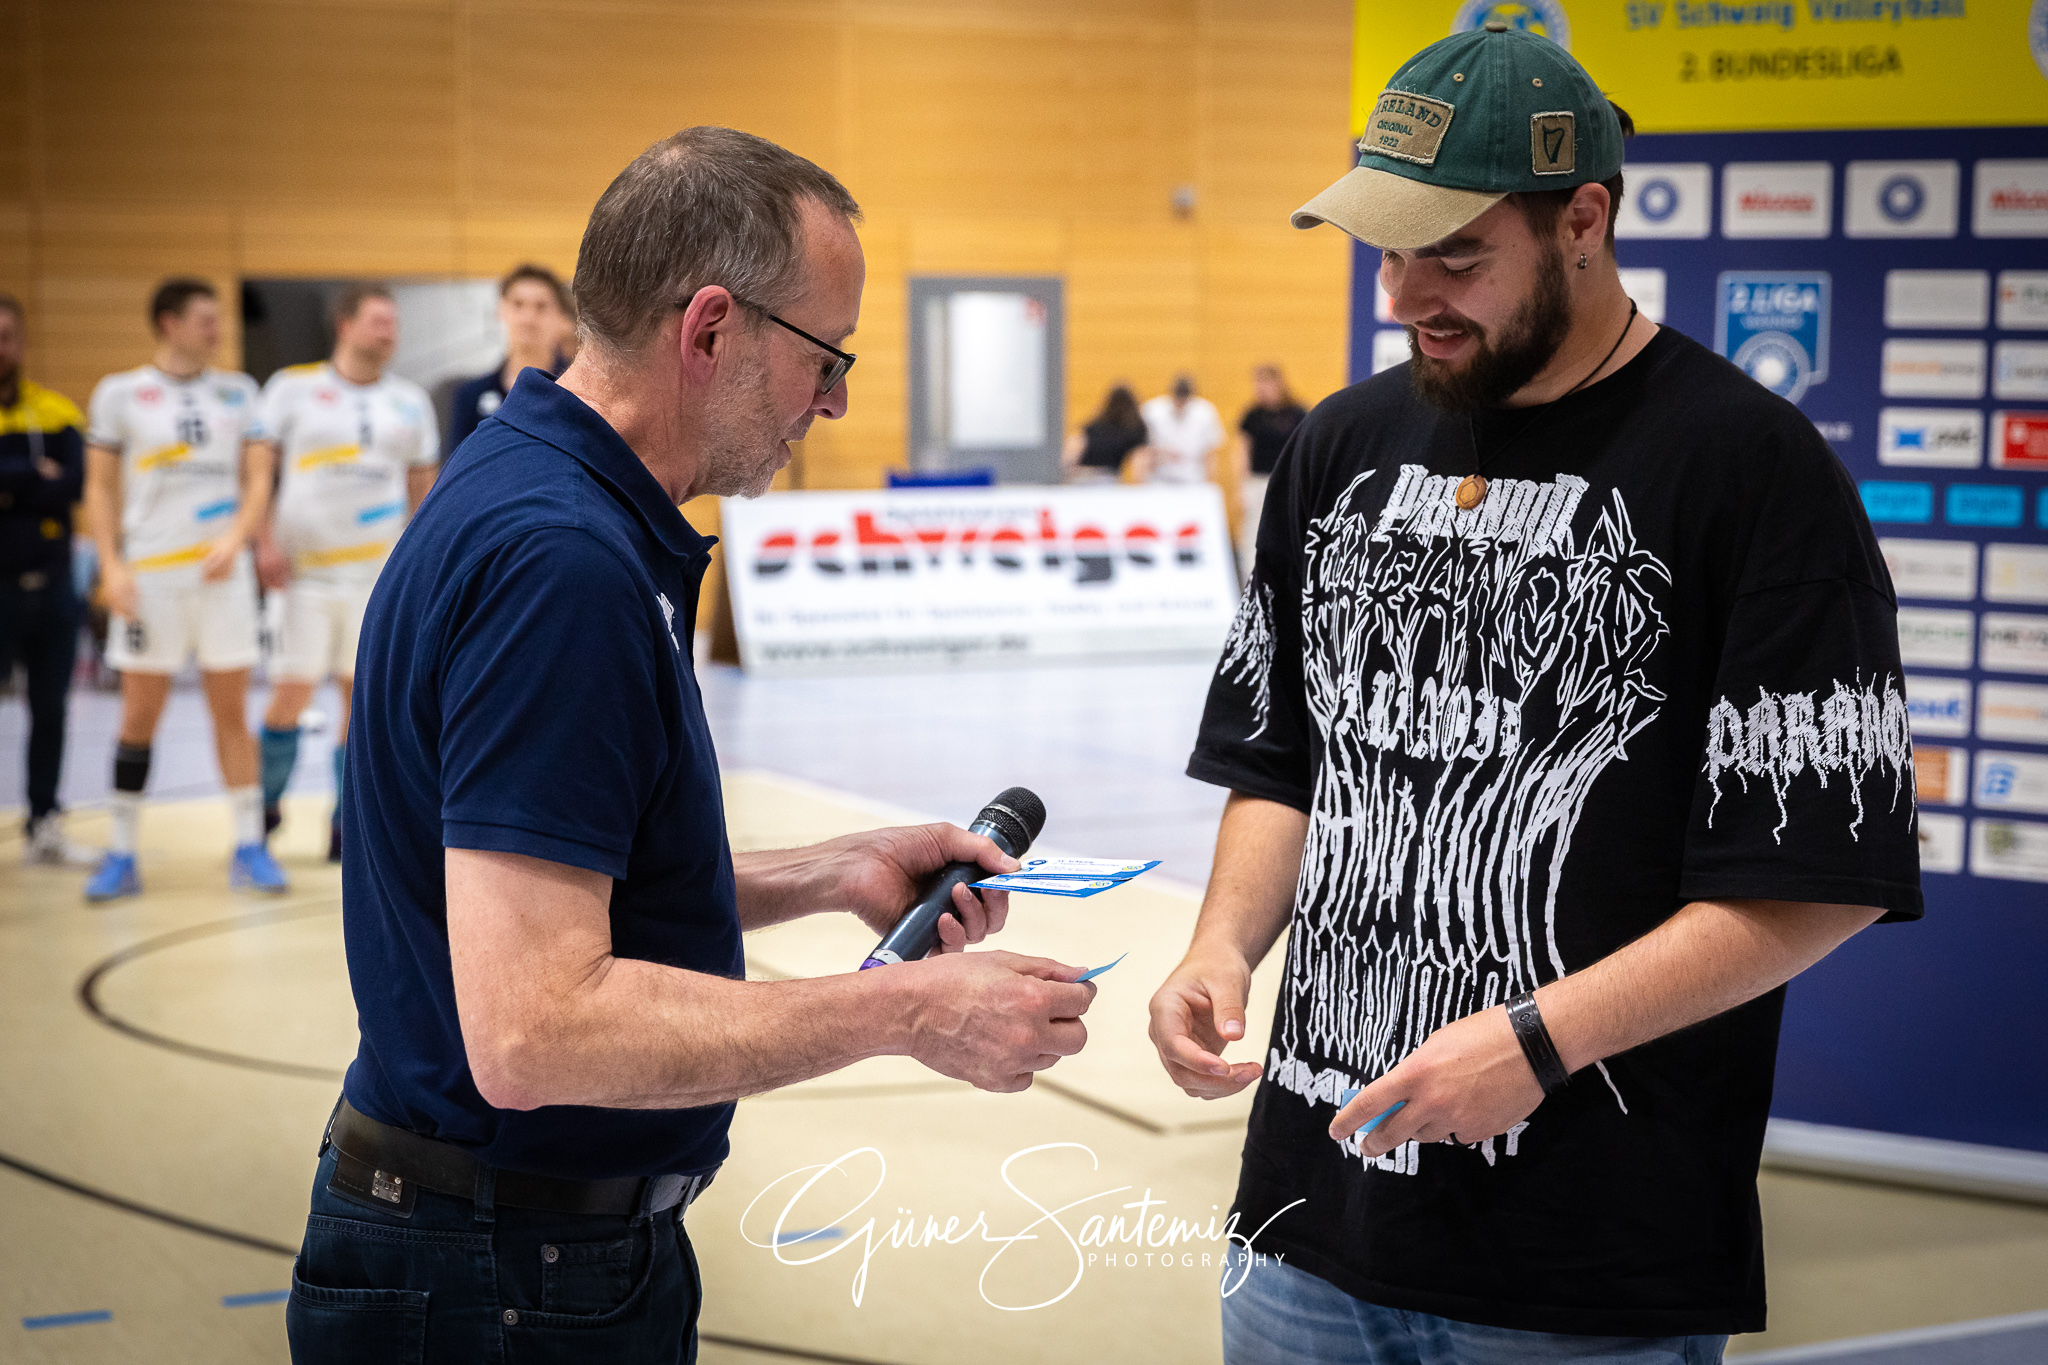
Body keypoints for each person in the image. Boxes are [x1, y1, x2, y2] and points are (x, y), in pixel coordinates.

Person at [1149, 24, 1919, 1365]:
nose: (1404, 293)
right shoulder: (1340, 444)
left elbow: (1818, 879)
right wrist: (1222, 948)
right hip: (1304, 1222)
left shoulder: (1750, 467)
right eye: (1385, 250)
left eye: (1455, 256)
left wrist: (1539, 1042)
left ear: (1583, 220)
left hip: (1586, 1266)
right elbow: (1284, 761)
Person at [284, 127, 1097, 1363]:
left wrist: (823, 875)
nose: (831, 400)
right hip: (499, 1280)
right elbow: (535, 1030)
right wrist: (904, 1015)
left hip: (501, 1252)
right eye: (825, 357)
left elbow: (546, 896)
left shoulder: (541, 494)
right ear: (710, 330)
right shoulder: (562, 565)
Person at [82, 279, 287, 900]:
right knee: (140, 714)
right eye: (203, 319)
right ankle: (121, 852)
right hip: (149, 580)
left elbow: (259, 479)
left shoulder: (239, 392)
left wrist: (238, 538)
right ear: (168, 322)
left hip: (220, 579)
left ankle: (249, 846)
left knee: (232, 713)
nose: (216, 328)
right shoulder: (120, 394)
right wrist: (111, 566)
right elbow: (97, 489)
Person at [254, 283, 440, 861]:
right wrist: (262, 544)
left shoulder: (409, 402)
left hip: (375, 579)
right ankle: (264, 808)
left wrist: (419, 571)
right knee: (289, 693)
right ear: (345, 324)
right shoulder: (292, 389)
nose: (389, 333)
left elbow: (423, 495)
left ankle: (345, 819)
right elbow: (258, 475)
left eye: (394, 324)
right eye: (378, 322)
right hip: (302, 577)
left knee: (362, 698)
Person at [0, 294, 93, 865]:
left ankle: (44, 820)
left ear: (23, 341)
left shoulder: (56, 412)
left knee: (51, 708)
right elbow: (49, 485)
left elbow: (75, 486)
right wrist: (36, 477)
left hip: (53, 587)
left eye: (8, 334)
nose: (1, 346)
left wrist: (19, 486)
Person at [445, 264, 574, 454]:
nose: (528, 318)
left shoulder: (579, 394)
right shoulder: (470, 396)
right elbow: (455, 472)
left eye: (541, 307)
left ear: (560, 316)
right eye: (518, 304)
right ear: (500, 310)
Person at [1233, 364, 1305, 577]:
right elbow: (1242, 451)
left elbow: (1302, 450)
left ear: (1278, 385)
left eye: (1265, 383)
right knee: (1252, 530)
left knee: (1286, 529)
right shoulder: (1252, 415)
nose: (1261, 389)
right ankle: (1251, 576)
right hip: (1257, 481)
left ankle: (1285, 576)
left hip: (1285, 481)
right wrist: (1240, 486)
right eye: (1258, 384)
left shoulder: (1297, 414)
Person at [1140, 373, 1226, 485]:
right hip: (1160, 480)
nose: (1180, 405)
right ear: (1171, 395)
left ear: (1190, 398)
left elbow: (1211, 453)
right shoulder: (1152, 411)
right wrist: (1161, 452)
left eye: (1184, 402)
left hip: (1193, 480)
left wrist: (1210, 483)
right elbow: (1142, 449)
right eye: (1177, 401)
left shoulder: (1205, 413)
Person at [1061, 383, 1150, 482]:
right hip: (1107, 479)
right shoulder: (1134, 431)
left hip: (1082, 475)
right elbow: (1139, 459)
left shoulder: (1093, 427)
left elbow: (1074, 448)